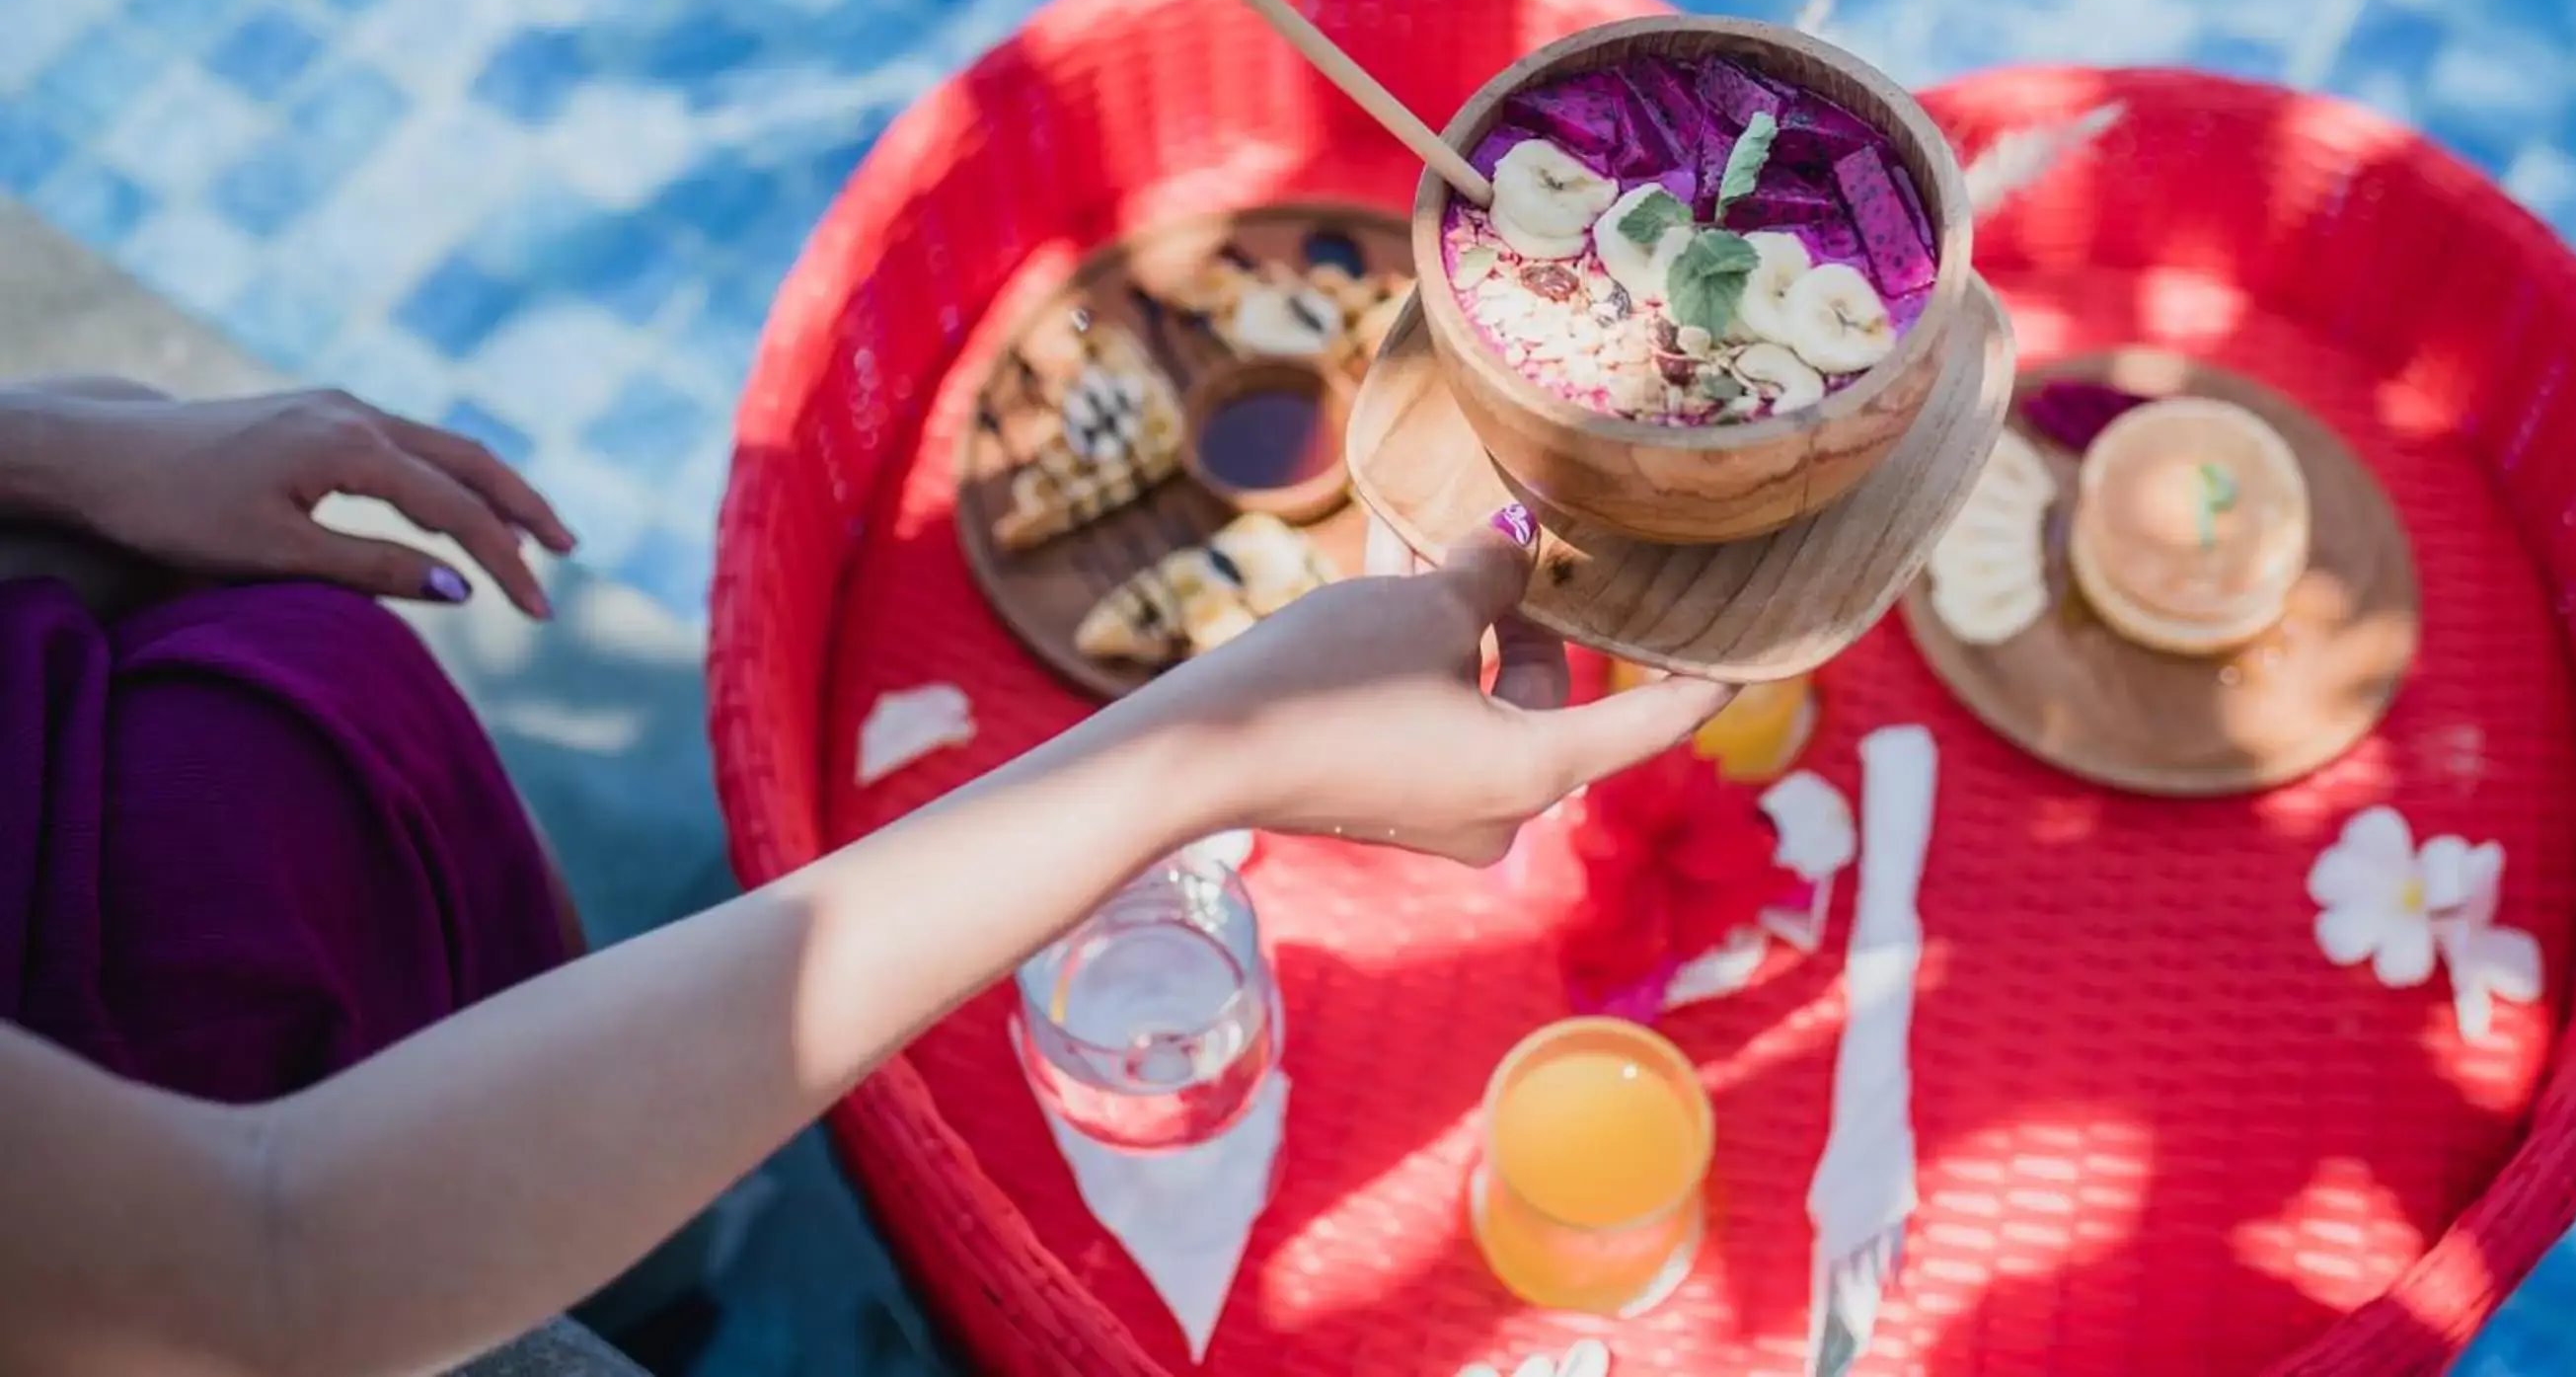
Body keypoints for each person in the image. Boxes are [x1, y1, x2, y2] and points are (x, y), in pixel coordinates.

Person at [0, 378, 1730, 1377]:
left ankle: (671, 1271)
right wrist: (1209, 748)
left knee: (639, 1253)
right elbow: (271, 1256)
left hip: (291, 878)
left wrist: (56, 445)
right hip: (312, 1300)